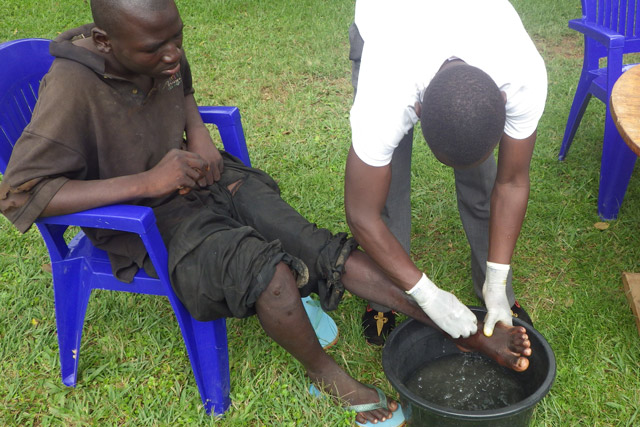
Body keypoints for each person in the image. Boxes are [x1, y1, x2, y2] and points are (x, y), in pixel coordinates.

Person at [0, 0, 533, 424]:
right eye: (156, 48)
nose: (172, 54)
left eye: (177, 38)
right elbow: (18, 194)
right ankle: (327, 376)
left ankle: (460, 330)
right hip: (146, 218)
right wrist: (148, 182)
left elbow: (181, 87)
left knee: (314, 244)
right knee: (271, 275)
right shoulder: (70, 89)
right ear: (104, 42)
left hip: (201, 177)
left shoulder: (155, 46)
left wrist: (198, 132)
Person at [346, 0, 547, 345]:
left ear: (502, 100)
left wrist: (497, 281)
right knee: (387, 191)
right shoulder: (385, 92)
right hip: (387, 19)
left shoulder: (521, 73)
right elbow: (362, 213)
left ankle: (493, 292)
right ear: (417, 110)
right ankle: (384, 297)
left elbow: (512, 182)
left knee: (485, 182)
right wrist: (426, 294)